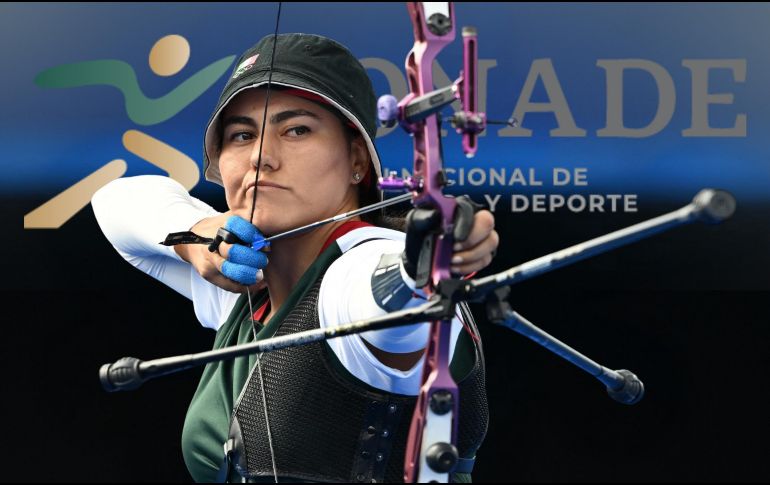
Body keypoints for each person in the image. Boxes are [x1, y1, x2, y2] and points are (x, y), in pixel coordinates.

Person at [92, 33, 499, 483]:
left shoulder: (360, 268)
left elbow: (389, 300)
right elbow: (114, 201)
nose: (261, 157)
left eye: (297, 130)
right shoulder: (241, 288)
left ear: (357, 161)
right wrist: (196, 239)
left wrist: (427, 262)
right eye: (242, 135)